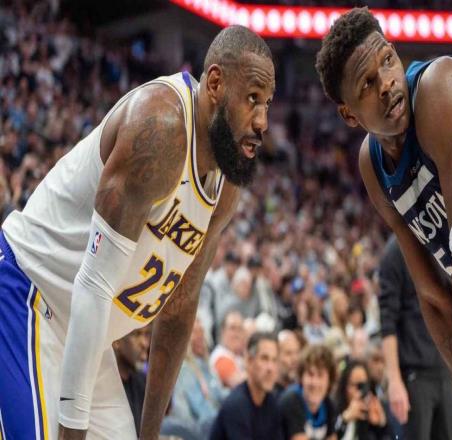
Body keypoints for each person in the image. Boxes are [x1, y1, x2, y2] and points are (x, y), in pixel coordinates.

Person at [0, 24, 275, 440]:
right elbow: (93, 285)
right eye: (253, 99)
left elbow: (179, 307)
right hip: (30, 295)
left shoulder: (226, 180)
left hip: (88, 337)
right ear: (216, 84)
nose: (263, 121)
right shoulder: (161, 127)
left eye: (268, 103)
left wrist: (150, 433)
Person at [316, 7, 452, 439]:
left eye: (387, 61)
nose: (386, 84)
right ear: (349, 115)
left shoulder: (441, 91)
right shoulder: (372, 166)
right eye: (367, 84)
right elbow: (434, 297)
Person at [379, 235, 452, 439]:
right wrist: (394, 380)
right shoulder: (394, 252)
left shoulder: (439, 241)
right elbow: (387, 323)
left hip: (445, 372)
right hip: (414, 375)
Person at [209, 331, 282, 440]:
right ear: (249, 361)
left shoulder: (272, 401)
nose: (270, 368)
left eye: (274, 360)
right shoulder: (236, 405)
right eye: (264, 358)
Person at [279, 344, 338, 440]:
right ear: (301, 377)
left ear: (329, 380)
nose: (315, 382)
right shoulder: (291, 400)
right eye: (310, 374)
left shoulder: (329, 405)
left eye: (320, 375)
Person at [334, 360, 390, 440]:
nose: (360, 391)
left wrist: (381, 425)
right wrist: (345, 420)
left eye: (363, 385)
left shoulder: (371, 411)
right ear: (345, 387)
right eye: (356, 385)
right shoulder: (333, 410)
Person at [112, 326, 150, 436]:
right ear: (116, 341)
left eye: (147, 334)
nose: (144, 344)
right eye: (137, 334)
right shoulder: (102, 386)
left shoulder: (142, 383)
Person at [209, 309, 247, 388]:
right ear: (223, 332)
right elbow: (243, 385)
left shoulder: (238, 355)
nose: (237, 333)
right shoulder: (221, 357)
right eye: (232, 328)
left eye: (240, 329)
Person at [274, 329, 303, 396]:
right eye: (288, 353)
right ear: (276, 356)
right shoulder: (268, 392)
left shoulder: (304, 390)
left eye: (297, 352)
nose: (295, 359)